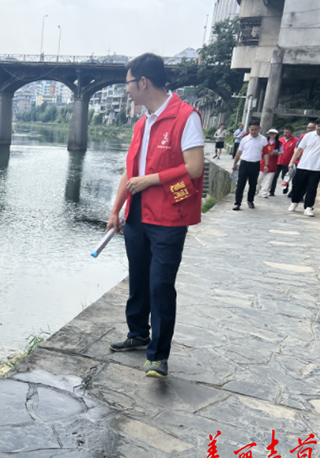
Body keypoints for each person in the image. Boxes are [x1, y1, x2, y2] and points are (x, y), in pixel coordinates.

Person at [105, 53, 205, 379]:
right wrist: (115, 210)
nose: (127, 91)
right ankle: (137, 333)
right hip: (136, 216)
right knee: (138, 279)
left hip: (168, 218)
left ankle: (158, 355)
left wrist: (150, 180)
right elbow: (128, 173)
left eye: (129, 84)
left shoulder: (185, 117)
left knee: (161, 284)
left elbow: (194, 168)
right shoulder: (141, 123)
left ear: (143, 82)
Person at [288, 116, 320, 217]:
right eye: (319, 126)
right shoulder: (307, 136)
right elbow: (299, 149)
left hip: (316, 168)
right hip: (303, 165)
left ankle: (308, 207)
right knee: (298, 186)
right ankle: (294, 202)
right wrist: (292, 161)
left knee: (312, 188)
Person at [232, 120, 268, 210]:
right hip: (244, 163)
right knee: (240, 184)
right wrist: (234, 163)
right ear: (249, 129)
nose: (253, 132)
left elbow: (266, 153)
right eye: (251, 129)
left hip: (255, 164)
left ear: (259, 129)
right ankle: (237, 203)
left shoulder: (263, 139)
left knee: (253, 184)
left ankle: (250, 201)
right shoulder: (244, 139)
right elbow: (239, 152)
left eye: (255, 129)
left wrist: (266, 165)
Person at [271, 125, 298, 196]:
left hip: (287, 162)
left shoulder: (296, 141)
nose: (287, 134)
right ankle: (271, 191)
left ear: (292, 133)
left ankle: (285, 187)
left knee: (285, 177)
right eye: (286, 132)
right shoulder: (280, 140)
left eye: (289, 133)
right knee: (274, 176)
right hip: (278, 161)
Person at [257, 129, 281, 198]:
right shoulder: (265, 142)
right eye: (270, 133)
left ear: (276, 135)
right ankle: (257, 189)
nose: (272, 135)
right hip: (263, 162)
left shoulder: (279, 143)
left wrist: (277, 153)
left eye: (273, 133)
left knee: (269, 179)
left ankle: (265, 192)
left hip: (273, 162)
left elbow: (281, 152)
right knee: (259, 178)